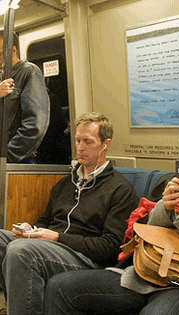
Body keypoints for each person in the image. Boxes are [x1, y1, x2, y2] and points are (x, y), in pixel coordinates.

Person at [44, 119, 179, 315]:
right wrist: (164, 207)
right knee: (60, 286)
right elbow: (135, 233)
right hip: (144, 273)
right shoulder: (170, 182)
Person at [0, 112, 139, 315]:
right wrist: (30, 230)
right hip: (51, 247)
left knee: (21, 251)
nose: (80, 148)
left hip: (86, 258)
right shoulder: (66, 183)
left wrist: (56, 237)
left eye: (88, 142)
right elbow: (45, 220)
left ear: (105, 144)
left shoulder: (120, 189)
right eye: (77, 140)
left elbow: (110, 247)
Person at [0, 31, 50, 163]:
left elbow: (35, 125)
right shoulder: (1, 78)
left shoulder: (29, 72)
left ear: (13, 50)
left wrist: (6, 156)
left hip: (18, 159)